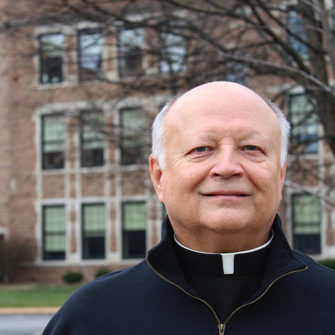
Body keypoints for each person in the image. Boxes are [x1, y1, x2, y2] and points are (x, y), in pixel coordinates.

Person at [43, 82, 335, 335]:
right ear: (159, 177)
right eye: (201, 149)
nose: (227, 168)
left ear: (280, 176)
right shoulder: (90, 317)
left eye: (251, 148)